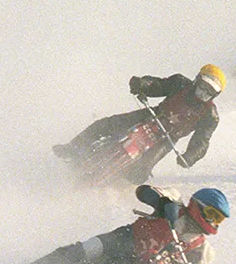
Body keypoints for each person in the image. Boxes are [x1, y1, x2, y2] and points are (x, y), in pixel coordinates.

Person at [13, 185, 230, 264]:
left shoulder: (202, 248)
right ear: (196, 206)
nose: (213, 222)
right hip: (126, 239)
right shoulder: (177, 204)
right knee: (87, 249)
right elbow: (148, 191)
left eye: (218, 219)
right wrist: (160, 200)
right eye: (211, 214)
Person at [53, 64, 225, 181]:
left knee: (140, 173)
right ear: (197, 80)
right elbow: (158, 85)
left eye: (209, 92)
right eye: (202, 86)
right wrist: (141, 84)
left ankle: (110, 179)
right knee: (106, 125)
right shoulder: (180, 83)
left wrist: (190, 157)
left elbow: (202, 141)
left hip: (167, 139)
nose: (203, 93)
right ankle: (72, 148)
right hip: (152, 116)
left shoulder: (210, 115)